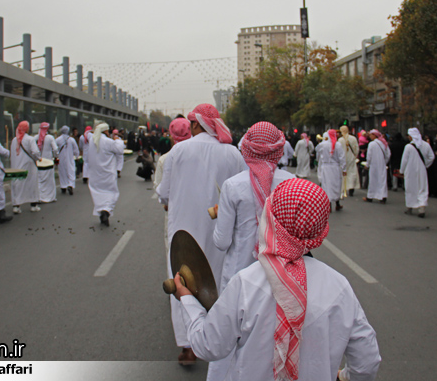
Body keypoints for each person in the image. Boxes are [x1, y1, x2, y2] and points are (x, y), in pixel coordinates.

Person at [173, 178, 381, 381]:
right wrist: (344, 376)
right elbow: (367, 362)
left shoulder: (247, 282)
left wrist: (188, 300)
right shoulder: (338, 287)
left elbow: (208, 345)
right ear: (320, 229)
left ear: (271, 220)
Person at [156, 103, 246, 365]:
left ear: (195, 124)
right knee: (218, 280)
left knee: (183, 279)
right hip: (221, 231)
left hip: (183, 231)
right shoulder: (233, 153)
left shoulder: (178, 151)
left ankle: (188, 346)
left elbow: (163, 192)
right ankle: (220, 339)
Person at [214, 121, 293, 292]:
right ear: (278, 149)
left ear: (247, 149)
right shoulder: (292, 183)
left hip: (239, 276)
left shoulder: (233, 185)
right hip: (283, 276)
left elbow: (221, 242)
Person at [88, 122, 124, 226]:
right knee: (111, 193)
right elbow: (120, 150)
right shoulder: (107, 141)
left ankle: (101, 210)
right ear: (106, 131)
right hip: (107, 174)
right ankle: (106, 210)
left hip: (95, 175)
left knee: (97, 193)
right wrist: (118, 141)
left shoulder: (92, 140)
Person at [399, 128, 435, 217]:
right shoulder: (426, 145)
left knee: (410, 188)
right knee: (422, 188)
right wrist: (426, 165)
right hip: (422, 171)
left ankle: (410, 207)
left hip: (410, 171)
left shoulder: (408, 147)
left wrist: (401, 171)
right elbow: (432, 157)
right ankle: (421, 208)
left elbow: (404, 160)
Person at [10, 121, 41, 213]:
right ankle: (33, 205)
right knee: (32, 184)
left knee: (17, 185)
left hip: (17, 167)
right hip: (29, 166)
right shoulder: (30, 139)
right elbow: (35, 152)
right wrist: (38, 158)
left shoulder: (14, 140)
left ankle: (16, 206)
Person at [316, 129, 347, 211]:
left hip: (325, 167)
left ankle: (329, 205)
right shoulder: (338, 145)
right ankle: (337, 203)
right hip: (335, 168)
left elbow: (317, 154)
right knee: (336, 185)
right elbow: (342, 158)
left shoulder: (322, 145)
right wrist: (344, 169)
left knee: (326, 185)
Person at [363, 129, 390, 204]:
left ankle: (371, 196)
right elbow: (388, 154)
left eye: (371, 135)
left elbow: (369, 156)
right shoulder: (383, 143)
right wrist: (384, 162)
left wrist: (367, 164)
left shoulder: (372, 144)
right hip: (382, 165)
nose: (370, 136)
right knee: (382, 180)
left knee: (373, 180)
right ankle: (383, 196)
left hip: (373, 165)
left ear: (374, 135)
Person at [36, 122, 58, 203]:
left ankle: (40, 197)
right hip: (48, 162)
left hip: (39, 163)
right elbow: (55, 149)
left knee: (40, 180)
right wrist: (56, 157)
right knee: (49, 181)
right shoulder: (50, 138)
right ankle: (50, 197)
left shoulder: (36, 138)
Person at [56, 126, 80, 195]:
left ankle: (63, 186)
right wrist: (77, 156)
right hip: (70, 158)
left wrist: (55, 156)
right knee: (71, 172)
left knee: (62, 172)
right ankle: (70, 185)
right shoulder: (71, 139)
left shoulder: (58, 139)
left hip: (61, 159)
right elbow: (76, 149)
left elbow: (55, 149)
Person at [338, 126, 360, 197]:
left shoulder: (340, 140)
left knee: (344, 174)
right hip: (351, 158)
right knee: (352, 173)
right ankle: (351, 187)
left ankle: (344, 188)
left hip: (343, 159)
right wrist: (355, 156)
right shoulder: (353, 138)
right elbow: (356, 149)